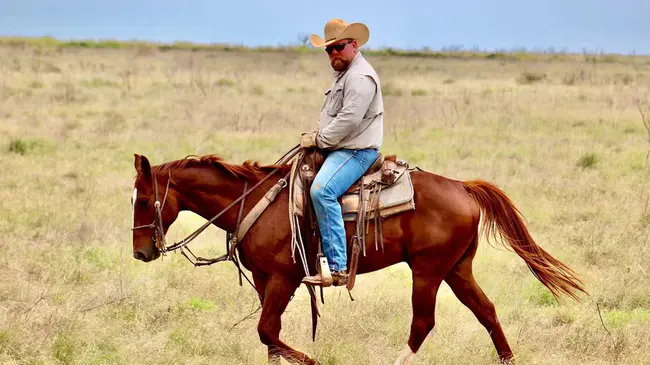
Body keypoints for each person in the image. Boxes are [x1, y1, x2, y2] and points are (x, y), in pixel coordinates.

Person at [299, 18, 384, 287]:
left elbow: (349, 119)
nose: (334, 53)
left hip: (355, 152)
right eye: (329, 50)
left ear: (354, 45)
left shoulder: (359, 77)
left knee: (321, 191)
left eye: (339, 47)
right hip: (340, 147)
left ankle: (338, 267)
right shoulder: (345, 73)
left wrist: (319, 139)